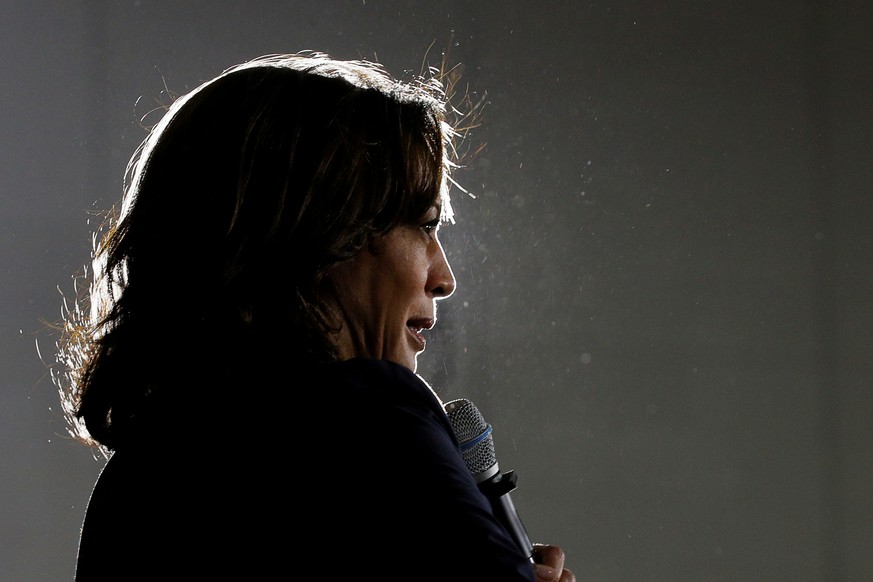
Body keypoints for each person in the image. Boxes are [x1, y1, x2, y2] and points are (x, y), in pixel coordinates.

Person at [53, 51, 575, 581]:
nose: (444, 278)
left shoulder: (136, 480)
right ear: (326, 234)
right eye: (423, 225)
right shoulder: (374, 419)